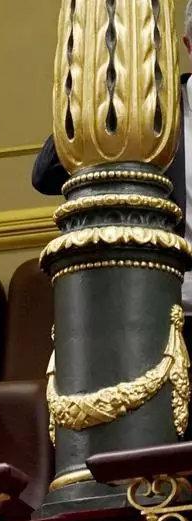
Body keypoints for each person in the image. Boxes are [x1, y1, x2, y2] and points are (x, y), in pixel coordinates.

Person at [33, 2, 192, 345]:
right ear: (187, 45)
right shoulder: (155, 114)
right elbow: (44, 175)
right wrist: (103, 88)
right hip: (167, 310)